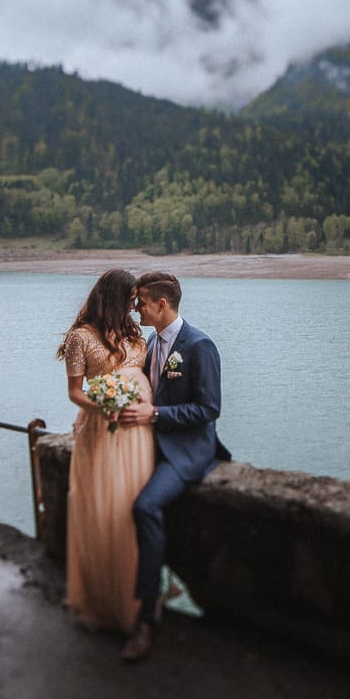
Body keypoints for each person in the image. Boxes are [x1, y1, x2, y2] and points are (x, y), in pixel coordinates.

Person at [114, 271, 230, 662]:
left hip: (187, 450)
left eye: (141, 302)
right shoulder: (151, 341)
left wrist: (155, 414)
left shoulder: (200, 346)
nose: (136, 309)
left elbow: (209, 409)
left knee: (144, 507)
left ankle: (147, 619)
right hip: (151, 443)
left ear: (162, 304)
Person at [55, 269, 155, 636]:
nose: (135, 304)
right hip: (103, 429)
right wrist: (103, 406)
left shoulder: (134, 333)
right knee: (104, 508)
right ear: (115, 297)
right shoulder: (80, 338)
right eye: (131, 298)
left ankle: (137, 596)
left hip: (138, 433)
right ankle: (105, 599)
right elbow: (75, 392)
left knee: (132, 508)